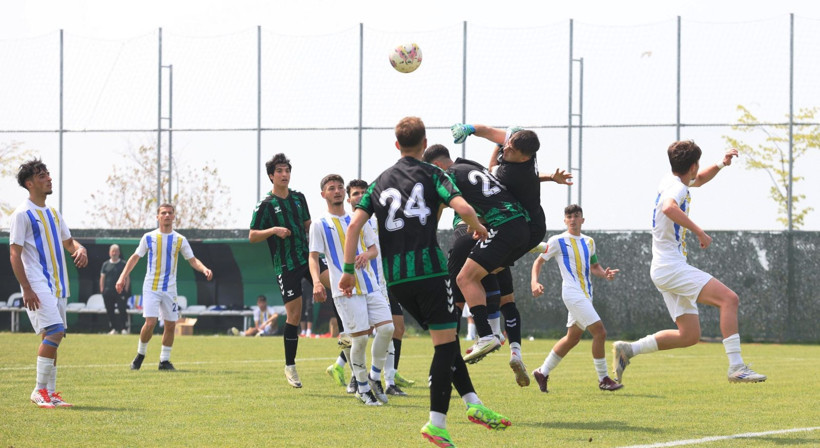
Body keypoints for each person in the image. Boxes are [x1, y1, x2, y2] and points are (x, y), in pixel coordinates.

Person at [339, 117, 511, 447]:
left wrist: (348, 270)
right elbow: (462, 205)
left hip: (397, 280)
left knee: (443, 340)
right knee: (446, 345)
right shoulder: (434, 174)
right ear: (424, 142)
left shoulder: (378, 182)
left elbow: (353, 228)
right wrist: (478, 226)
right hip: (430, 273)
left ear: (396, 144)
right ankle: (436, 424)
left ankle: (474, 404)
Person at [612, 141, 766, 384]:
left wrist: (720, 164)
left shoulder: (670, 180)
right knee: (729, 299)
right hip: (671, 267)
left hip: (663, 268)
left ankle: (629, 350)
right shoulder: (678, 190)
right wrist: (699, 232)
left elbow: (700, 180)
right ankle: (736, 367)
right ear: (693, 165)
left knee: (689, 335)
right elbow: (668, 207)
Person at [449, 124, 572, 382]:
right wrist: (470, 128)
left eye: (510, 147)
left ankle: (489, 334)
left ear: (523, 155)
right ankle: (514, 350)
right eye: (507, 143)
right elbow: (493, 135)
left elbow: (491, 175)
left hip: (522, 228)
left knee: (469, 278)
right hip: (516, 228)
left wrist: (479, 224)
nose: (505, 147)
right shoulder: (521, 150)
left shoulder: (510, 176)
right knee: (501, 288)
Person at [422, 144, 532, 386]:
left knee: (463, 284)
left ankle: (483, 337)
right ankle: (509, 347)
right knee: (503, 294)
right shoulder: (472, 166)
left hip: (493, 230)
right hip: (521, 227)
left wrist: (474, 225)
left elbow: (463, 209)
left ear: (437, 166)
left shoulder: (448, 176)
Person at [309, 174, 395, 405]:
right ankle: (363, 389)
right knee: (360, 341)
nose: (336, 191)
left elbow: (374, 248)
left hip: (370, 285)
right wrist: (317, 282)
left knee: (388, 328)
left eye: (339, 187)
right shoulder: (320, 224)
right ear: (323, 194)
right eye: (331, 188)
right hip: (345, 291)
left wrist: (366, 254)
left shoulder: (360, 219)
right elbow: (313, 257)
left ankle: (374, 376)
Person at [10, 159, 88, 408]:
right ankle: (39, 390)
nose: (48, 178)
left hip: (58, 284)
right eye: (42, 175)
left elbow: (69, 242)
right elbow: (14, 253)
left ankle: (51, 392)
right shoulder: (22, 214)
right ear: (30, 183)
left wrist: (80, 248)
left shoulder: (53, 213)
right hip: (37, 282)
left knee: (53, 335)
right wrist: (26, 288)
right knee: (55, 331)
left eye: (48, 174)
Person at [249, 153, 330, 388]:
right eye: (280, 171)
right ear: (271, 176)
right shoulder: (265, 205)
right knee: (294, 316)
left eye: (287, 170)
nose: (284, 175)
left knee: (337, 284)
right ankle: (290, 366)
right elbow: (252, 235)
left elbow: (309, 226)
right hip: (285, 266)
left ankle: (345, 343)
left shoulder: (298, 198)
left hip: (308, 257)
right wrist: (273, 229)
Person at [530, 204, 623, 392]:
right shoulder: (557, 241)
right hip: (572, 293)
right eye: (569, 216)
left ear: (582, 219)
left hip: (587, 294)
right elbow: (538, 261)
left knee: (572, 338)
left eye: (576, 216)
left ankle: (542, 371)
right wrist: (534, 282)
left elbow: (595, 267)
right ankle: (603, 378)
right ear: (565, 220)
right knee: (600, 332)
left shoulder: (589, 242)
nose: (572, 219)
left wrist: (605, 274)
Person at [116, 204, 213, 371]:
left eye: (170, 213)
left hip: (170, 288)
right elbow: (134, 257)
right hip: (151, 287)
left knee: (170, 324)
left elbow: (192, 260)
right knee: (150, 322)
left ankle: (164, 361)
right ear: (157, 217)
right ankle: (140, 355)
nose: (167, 215)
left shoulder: (180, 239)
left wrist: (204, 268)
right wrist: (122, 277)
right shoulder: (148, 237)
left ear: (174, 216)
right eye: (163, 213)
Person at [345, 178, 415, 394]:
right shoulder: (346, 222)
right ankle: (356, 378)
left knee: (394, 329)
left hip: (385, 283)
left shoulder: (381, 221)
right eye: (355, 193)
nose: (360, 197)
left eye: (363, 193)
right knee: (359, 334)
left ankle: (389, 382)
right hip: (357, 286)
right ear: (349, 199)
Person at [100, 244, 129, 335]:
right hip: (108, 292)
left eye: (116, 251)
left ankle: (124, 328)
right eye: (113, 251)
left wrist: (126, 288)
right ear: (109, 253)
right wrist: (102, 289)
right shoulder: (105, 264)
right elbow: (102, 278)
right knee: (110, 310)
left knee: (122, 309)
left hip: (120, 291)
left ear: (119, 253)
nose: (114, 253)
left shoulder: (123, 264)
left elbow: (127, 278)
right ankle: (113, 329)